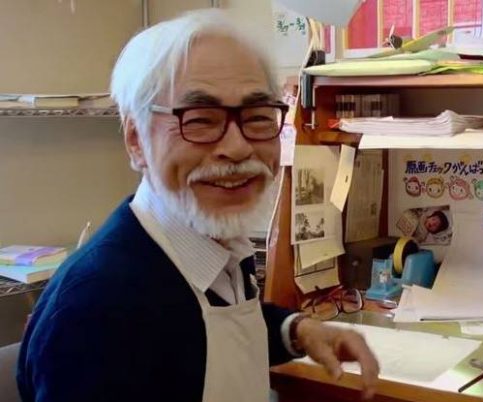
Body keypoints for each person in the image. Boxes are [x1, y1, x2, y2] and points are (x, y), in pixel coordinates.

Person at [17, 9, 378, 402]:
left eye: (257, 117)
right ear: (136, 140)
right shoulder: (97, 310)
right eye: (200, 120)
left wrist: (297, 330)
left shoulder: (214, 247)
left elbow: (207, 332)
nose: (237, 147)